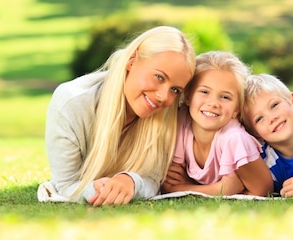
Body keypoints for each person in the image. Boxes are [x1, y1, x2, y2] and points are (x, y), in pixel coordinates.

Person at [42, 26, 196, 206]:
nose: (164, 97)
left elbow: (153, 181)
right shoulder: (71, 103)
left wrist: (130, 181)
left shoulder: (167, 115)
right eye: (159, 77)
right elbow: (65, 185)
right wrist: (99, 190)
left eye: (175, 90)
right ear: (132, 60)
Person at [161, 51, 273, 196]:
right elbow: (171, 184)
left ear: (236, 109)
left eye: (225, 97)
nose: (213, 103)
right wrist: (221, 189)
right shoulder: (181, 121)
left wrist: (184, 187)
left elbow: (263, 190)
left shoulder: (235, 139)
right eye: (204, 92)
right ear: (188, 96)